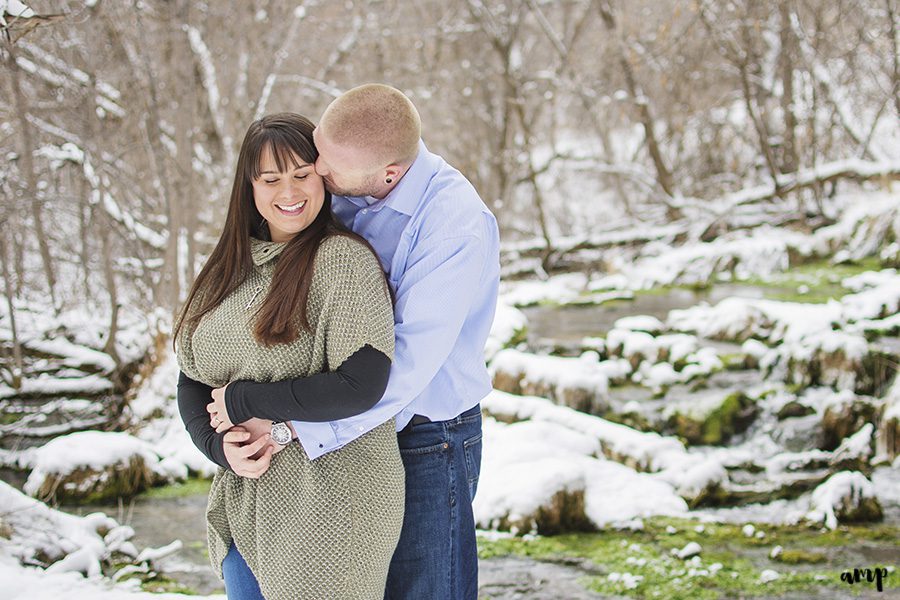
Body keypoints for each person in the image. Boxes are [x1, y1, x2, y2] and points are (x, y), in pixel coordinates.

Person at [210, 84, 501, 600]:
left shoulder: (454, 225)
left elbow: (406, 366)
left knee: (425, 591)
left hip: (427, 437)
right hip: (348, 439)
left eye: (323, 165)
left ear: (389, 174)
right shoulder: (350, 186)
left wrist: (288, 427)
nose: (315, 171)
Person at [173, 112, 404, 600]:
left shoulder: (344, 261)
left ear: (322, 175)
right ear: (250, 188)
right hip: (247, 502)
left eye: (302, 174)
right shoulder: (226, 270)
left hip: (335, 505)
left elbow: (361, 384)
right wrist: (220, 450)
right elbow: (192, 379)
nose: (289, 191)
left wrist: (245, 400)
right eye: (271, 179)